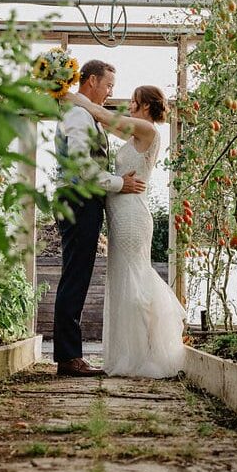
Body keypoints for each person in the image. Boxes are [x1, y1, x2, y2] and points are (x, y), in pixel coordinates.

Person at [64, 86, 187, 378]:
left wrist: (72, 96)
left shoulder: (148, 129)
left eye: (134, 100)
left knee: (135, 277)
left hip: (131, 214)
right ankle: (128, 353)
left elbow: (102, 115)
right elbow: (104, 122)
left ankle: (144, 351)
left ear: (145, 106)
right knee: (123, 277)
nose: (129, 104)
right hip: (120, 214)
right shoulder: (134, 135)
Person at [53, 60, 146, 377]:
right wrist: (121, 184)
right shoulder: (79, 115)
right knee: (75, 276)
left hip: (81, 200)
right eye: (108, 85)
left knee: (76, 274)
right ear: (91, 80)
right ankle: (68, 358)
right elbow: (83, 167)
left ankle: (69, 356)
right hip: (78, 199)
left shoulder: (85, 114)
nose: (110, 93)